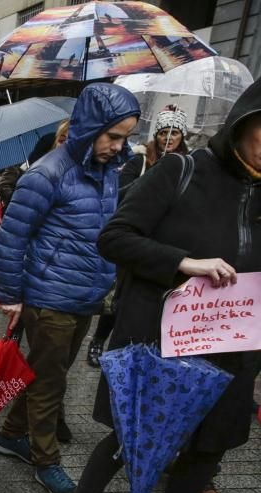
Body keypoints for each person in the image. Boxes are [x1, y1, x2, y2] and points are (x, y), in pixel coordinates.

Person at [66, 80, 261, 493]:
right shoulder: (181, 170)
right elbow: (114, 238)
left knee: (208, 444)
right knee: (136, 432)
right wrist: (184, 263)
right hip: (165, 338)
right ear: (243, 123)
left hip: (236, 345)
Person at [0, 83, 140, 493]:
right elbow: (10, 238)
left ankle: (12, 435)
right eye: (112, 136)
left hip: (85, 295)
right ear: (90, 127)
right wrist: (11, 295)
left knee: (43, 373)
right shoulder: (47, 173)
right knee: (51, 383)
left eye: (125, 137)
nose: (118, 145)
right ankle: (46, 461)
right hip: (48, 297)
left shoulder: (109, 172)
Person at [87, 105, 189, 368]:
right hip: (136, 240)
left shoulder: (189, 166)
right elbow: (120, 195)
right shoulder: (140, 161)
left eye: (174, 133)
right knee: (118, 299)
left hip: (166, 245)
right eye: (164, 132)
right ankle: (100, 340)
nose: (168, 138)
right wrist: (154, 178)